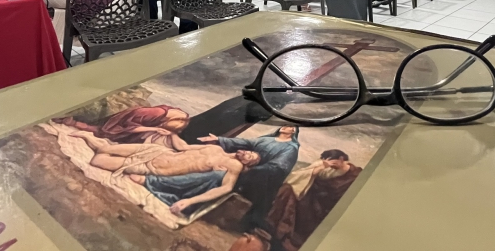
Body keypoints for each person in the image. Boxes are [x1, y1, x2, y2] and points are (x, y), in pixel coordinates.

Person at [72, 131, 261, 216]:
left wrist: (190, 201)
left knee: (98, 161)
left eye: (250, 157)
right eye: (249, 152)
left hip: (153, 169)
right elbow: (183, 147)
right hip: (157, 152)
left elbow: (225, 188)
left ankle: (92, 141)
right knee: (107, 148)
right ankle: (87, 136)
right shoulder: (216, 148)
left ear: (247, 164)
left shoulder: (232, 166)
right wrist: (172, 133)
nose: (247, 154)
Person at [267, 149, 362, 250]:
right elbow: (300, 176)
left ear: (341, 159)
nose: (331, 166)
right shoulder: (326, 169)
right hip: (313, 200)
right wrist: (321, 167)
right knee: (288, 191)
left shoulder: (355, 174)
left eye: (333, 162)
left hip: (330, 207)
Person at [54, 105, 191, 146]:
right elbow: (128, 123)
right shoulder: (155, 114)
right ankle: (72, 122)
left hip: (138, 121)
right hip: (123, 120)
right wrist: (154, 128)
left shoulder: (182, 117)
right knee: (105, 132)